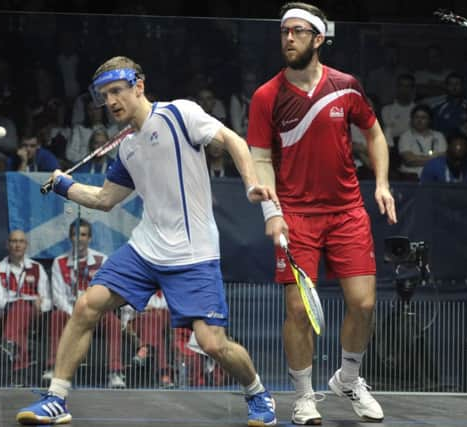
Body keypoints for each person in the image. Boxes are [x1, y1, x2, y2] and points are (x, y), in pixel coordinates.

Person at [16, 55, 279, 426]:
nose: (110, 101)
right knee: (86, 306)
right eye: (104, 95)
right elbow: (104, 200)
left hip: (193, 254)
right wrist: (64, 185)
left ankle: (257, 393)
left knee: (213, 343)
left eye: (117, 91)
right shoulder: (126, 147)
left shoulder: (180, 114)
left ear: (138, 86)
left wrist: (252, 181)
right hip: (145, 249)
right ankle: (56, 398)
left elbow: (233, 140)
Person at [247, 3, 397, 424]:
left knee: (363, 304)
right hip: (295, 214)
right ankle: (303, 396)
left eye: (296, 31)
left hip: (347, 210)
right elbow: (260, 159)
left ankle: (348, 379)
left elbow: (374, 132)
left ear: (318, 39)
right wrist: (271, 212)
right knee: (297, 311)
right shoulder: (266, 96)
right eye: (283, 32)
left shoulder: (346, 86)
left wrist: (382, 183)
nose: (287, 38)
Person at [47, 219, 126, 388]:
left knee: (113, 321)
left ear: (89, 238)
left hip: (97, 313)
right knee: (56, 316)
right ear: (70, 237)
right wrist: (75, 314)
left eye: (83, 235)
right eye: (75, 234)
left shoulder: (102, 260)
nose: (79, 239)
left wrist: (92, 311)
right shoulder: (59, 262)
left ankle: (115, 372)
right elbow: (58, 296)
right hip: (69, 313)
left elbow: (108, 291)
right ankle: (53, 368)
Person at [0, 230, 52, 386]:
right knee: (19, 307)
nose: (17, 245)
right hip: (5, 316)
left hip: (36, 316)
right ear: (7, 245)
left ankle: (9, 344)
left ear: (26, 245)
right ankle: (18, 364)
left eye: (21, 241)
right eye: (13, 241)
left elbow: (48, 300)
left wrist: (40, 305)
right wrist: (25, 300)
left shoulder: (37, 268)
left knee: (22, 307)